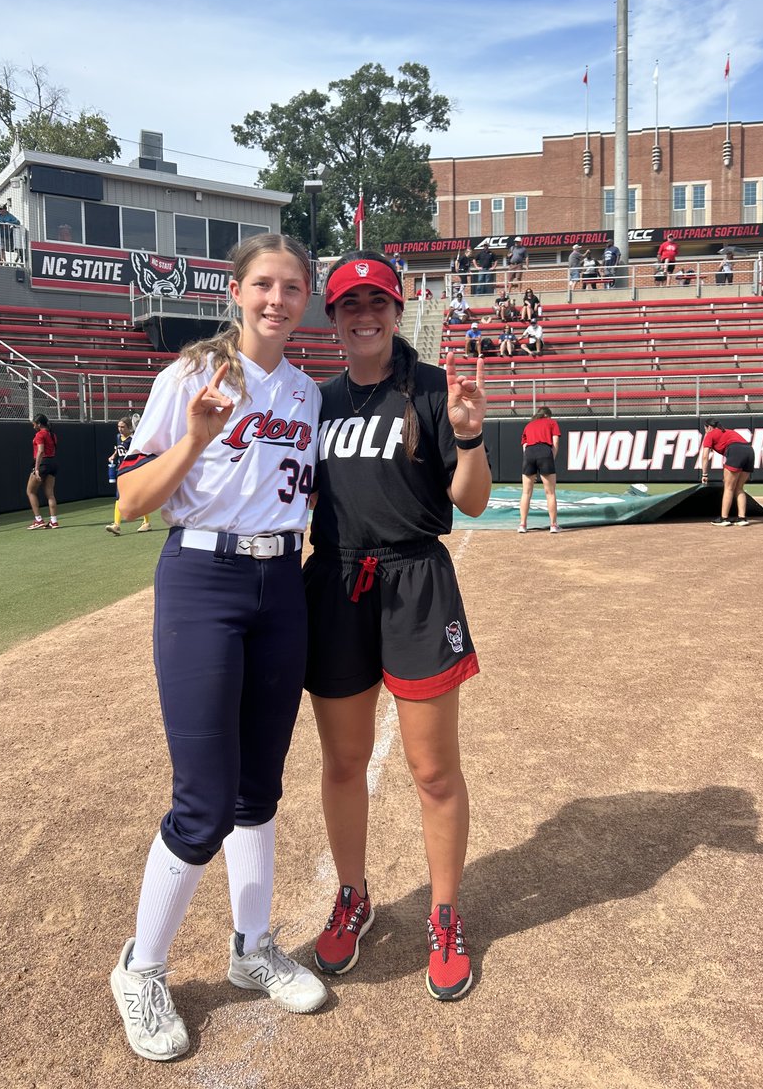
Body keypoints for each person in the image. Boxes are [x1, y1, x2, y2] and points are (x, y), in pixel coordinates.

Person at [108, 234, 326, 1063]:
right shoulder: (191, 375)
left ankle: (251, 948)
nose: (277, 299)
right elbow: (130, 499)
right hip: (203, 581)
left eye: (292, 287)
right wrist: (196, 438)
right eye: (263, 284)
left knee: (258, 788)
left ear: (305, 299)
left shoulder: (306, 392)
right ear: (236, 292)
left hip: (282, 587)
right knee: (202, 800)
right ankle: (141, 968)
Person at [304, 249, 490, 1003]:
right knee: (344, 763)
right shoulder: (316, 401)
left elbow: (472, 502)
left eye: (376, 302)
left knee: (433, 770)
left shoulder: (436, 390)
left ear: (396, 308)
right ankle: (353, 897)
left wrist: (470, 438)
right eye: (349, 305)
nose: (364, 315)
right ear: (333, 318)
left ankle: (444, 915)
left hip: (416, 584)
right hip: (337, 583)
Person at [698, 419, 755, 526]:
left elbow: (705, 456)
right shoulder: (728, 431)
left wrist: (704, 474)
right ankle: (742, 518)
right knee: (739, 487)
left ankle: (724, 519)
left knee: (728, 487)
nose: (705, 431)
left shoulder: (710, 434)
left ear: (709, 427)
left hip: (735, 450)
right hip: (749, 451)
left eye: (705, 429)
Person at [105, 415, 152, 535]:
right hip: (122, 470)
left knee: (139, 496)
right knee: (119, 496)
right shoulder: (118, 437)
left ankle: (146, 522)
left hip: (133, 469)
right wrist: (114, 455)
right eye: (119, 426)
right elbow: (118, 448)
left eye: (123, 427)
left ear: (129, 427)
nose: (120, 429)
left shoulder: (134, 439)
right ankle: (116, 525)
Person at [518, 406, 561, 533]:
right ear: (547, 415)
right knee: (550, 492)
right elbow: (555, 442)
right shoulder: (552, 422)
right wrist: (550, 459)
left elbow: (525, 446)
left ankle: (522, 525)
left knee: (526, 492)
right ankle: (553, 525)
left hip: (529, 453)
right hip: (544, 451)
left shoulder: (529, 425)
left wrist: (531, 464)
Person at [26, 414, 59, 530]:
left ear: (39, 424)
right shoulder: (52, 434)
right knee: (50, 494)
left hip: (43, 463)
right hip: (53, 463)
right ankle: (54, 521)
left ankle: (38, 520)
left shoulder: (40, 434)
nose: (33, 426)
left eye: (34, 424)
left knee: (30, 491)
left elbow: (40, 451)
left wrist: (36, 468)